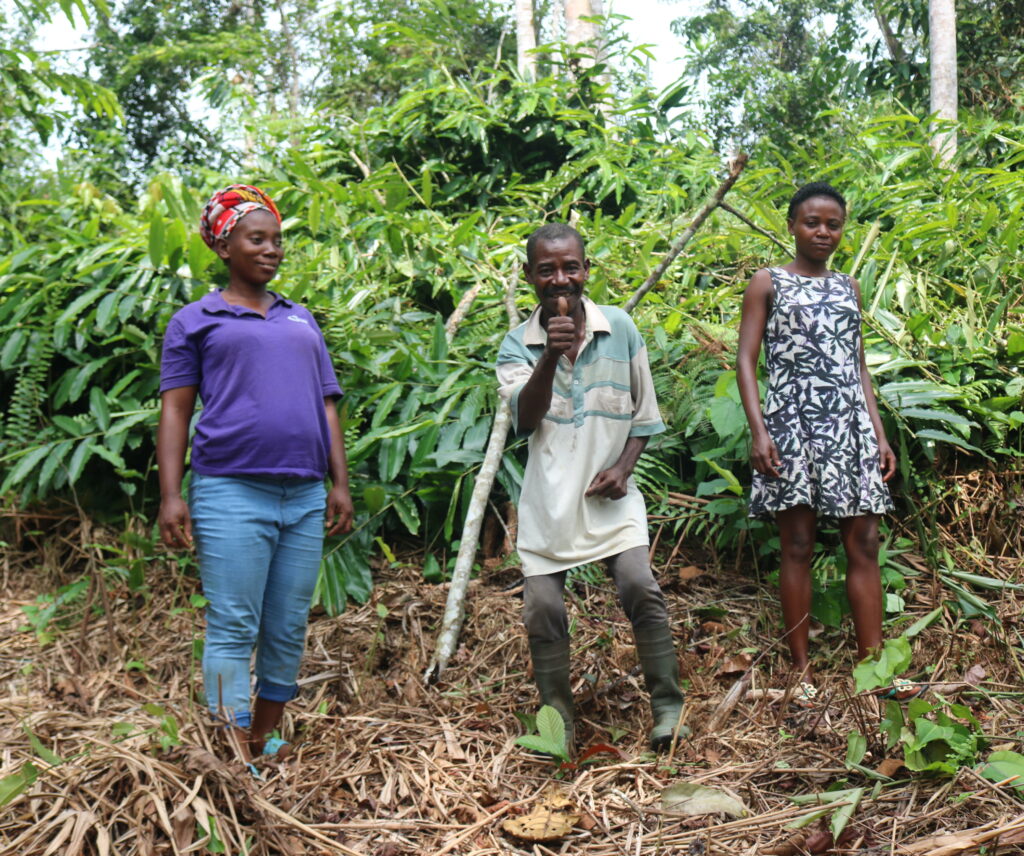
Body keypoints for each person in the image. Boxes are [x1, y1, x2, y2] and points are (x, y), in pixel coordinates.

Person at [157, 184, 354, 760]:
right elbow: (175, 408)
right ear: (224, 246)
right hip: (230, 490)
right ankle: (230, 757)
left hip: (303, 494)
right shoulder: (195, 320)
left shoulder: (300, 320)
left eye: (277, 240)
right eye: (256, 238)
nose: (271, 249)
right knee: (232, 625)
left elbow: (326, 404)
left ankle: (262, 740)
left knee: (288, 624)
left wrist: (339, 483)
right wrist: (171, 493)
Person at [496, 223, 686, 752]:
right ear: (531, 276)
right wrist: (550, 356)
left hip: (610, 501)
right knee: (542, 610)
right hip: (549, 503)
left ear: (586, 269)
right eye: (547, 270)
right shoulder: (518, 344)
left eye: (570, 267)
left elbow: (644, 417)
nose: (561, 279)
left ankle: (668, 708)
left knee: (639, 587)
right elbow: (526, 420)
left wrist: (624, 468)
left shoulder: (619, 328)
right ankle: (561, 726)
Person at [736, 182, 895, 701]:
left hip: (848, 428)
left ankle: (873, 668)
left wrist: (878, 432)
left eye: (833, 224)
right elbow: (746, 360)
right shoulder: (768, 282)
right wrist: (759, 430)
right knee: (798, 545)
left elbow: (858, 365)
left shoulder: (848, 287)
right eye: (812, 222)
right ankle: (800, 668)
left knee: (864, 543)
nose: (823, 232)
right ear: (792, 226)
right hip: (792, 426)